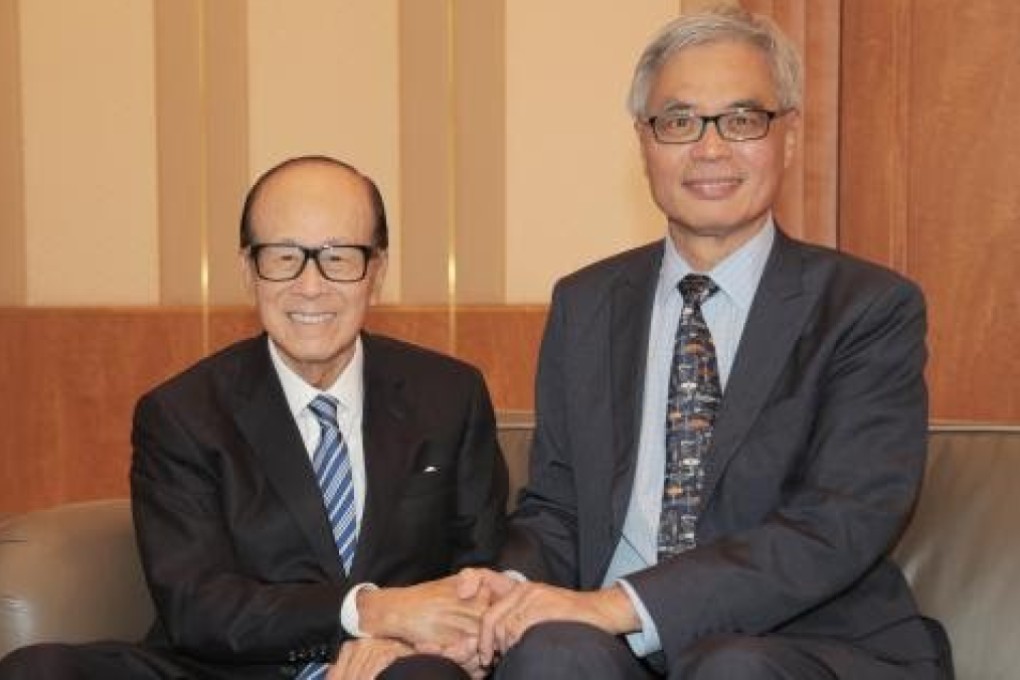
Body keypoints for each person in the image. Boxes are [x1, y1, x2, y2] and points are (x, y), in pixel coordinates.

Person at [456, 7, 950, 679]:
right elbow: (558, 509)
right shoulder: (585, 304)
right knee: (549, 653)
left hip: (803, 645)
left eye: (742, 120)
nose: (710, 149)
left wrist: (625, 605)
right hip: (611, 650)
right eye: (679, 122)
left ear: (789, 136)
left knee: (730, 669)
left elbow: (837, 524)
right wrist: (508, 592)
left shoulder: (866, 309)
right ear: (643, 141)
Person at [0, 155, 508, 680]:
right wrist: (368, 611)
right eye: (283, 256)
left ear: (375, 272)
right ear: (248, 271)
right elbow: (197, 606)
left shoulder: (449, 396)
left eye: (339, 257)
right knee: (41, 670)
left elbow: (484, 568)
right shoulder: (182, 414)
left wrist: (412, 640)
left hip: (400, 667)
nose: (310, 285)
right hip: (232, 670)